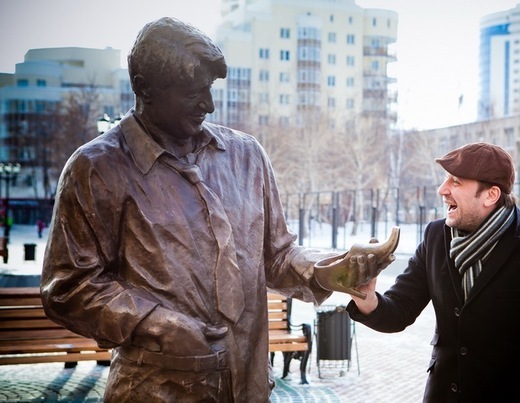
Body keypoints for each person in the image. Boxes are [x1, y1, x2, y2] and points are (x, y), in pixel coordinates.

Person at [40, 17, 393, 402]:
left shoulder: (246, 156)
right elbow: (68, 288)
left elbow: (277, 255)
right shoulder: (97, 169)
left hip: (249, 387)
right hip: (157, 392)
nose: (208, 105)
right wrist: (154, 322)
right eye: (193, 93)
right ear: (144, 88)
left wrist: (329, 270)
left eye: (209, 89)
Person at [347, 142, 520, 402]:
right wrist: (366, 299)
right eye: (445, 179)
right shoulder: (435, 237)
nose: (442, 190)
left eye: (456, 182)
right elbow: (401, 309)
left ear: (490, 195)